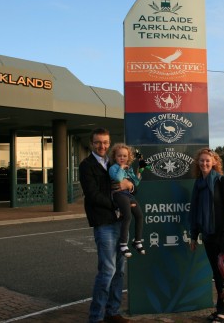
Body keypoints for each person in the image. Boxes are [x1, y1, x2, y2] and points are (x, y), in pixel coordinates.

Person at [79, 128, 132, 323]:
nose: (102, 146)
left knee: (119, 270)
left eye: (105, 142)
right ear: (92, 143)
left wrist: (130, 186)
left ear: (110, 143)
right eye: (98, 142)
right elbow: (92, 195)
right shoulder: (86, 166)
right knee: (107, 271)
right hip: (104, 223)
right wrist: (116, 204)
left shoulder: (113, 162)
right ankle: (96, 317)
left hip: (120, 222)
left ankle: (113, 312)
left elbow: (129, 182)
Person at [189, 148, 224, 323]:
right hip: (208, 236)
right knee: (217, 273)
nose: (204, 163)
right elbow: (194, 211)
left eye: (208, 160)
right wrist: (194, 236)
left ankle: (223, 311)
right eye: (201, 160)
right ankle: (221, 309)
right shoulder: (198, 184)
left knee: (223, 273)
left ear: (214, 162)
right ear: (197, 163)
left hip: (221, 236)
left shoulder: (221, 181)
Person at [109, 143, 147, 258]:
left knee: (139, 215)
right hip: (119, 195)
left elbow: (135, 182)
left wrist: (140, 170)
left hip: (129, 196)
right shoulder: (113, 168)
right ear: (114, 157)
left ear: (128, 157)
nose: (122, 158)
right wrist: (121, 167)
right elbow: (118, 179)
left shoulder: (129, 168)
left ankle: (137, 241)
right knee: (128, 216)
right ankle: (123, 244)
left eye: (124, 156)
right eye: (119, 156)